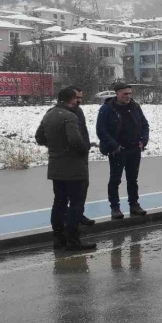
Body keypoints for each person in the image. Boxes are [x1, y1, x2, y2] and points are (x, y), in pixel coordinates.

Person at [35, 87, 96, 251]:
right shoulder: (70, 116)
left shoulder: (49, 113)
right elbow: (76, 140)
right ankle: (73, 240)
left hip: (56, 166)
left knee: (59, 203)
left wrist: (55, 147)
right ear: (71, 99)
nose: (78, 101)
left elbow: (39, 137)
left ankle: (59, 238)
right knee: (76, 204)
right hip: (73, 167)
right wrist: (83, 150)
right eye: (76, 98)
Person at [96, 82, 150, 220]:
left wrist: (143, 141)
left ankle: (134, 204)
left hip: (134, 149)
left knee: (133, 179)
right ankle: (115, 207)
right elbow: (101, 130)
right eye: (125, 94)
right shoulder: (107, 109)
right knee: (115, 180)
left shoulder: (135, 107)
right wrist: (114, 146)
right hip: (118, 151)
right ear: (117, 94)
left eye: (129, 93)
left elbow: (144, 125)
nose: (128, 96)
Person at [70, 86, 96, 226]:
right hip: (69, 158)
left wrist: (86, 147)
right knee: (67, 191)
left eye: (81, 97)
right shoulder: (62, 113)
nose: (79, 100)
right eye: (76, 97)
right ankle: (68, 219)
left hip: (82, 156)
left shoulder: (79, 111)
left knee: (83, 186)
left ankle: (78, 214)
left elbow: (83, 131)